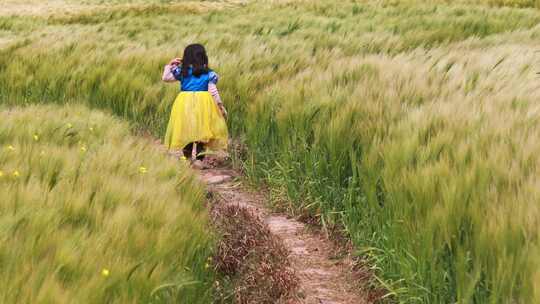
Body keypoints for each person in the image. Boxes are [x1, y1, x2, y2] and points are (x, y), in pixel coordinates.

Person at [161, 44, 228, 164]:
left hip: (184, 103)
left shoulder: (182, 72)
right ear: (203, 57)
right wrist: (220, 105)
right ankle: (198, 160)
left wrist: (170, 65)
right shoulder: (209, 73)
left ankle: (187, 160)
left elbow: (165, 78)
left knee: (187, 130)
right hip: (204, 104)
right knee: (202, 132)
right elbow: (213, 91)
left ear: (185, 57)